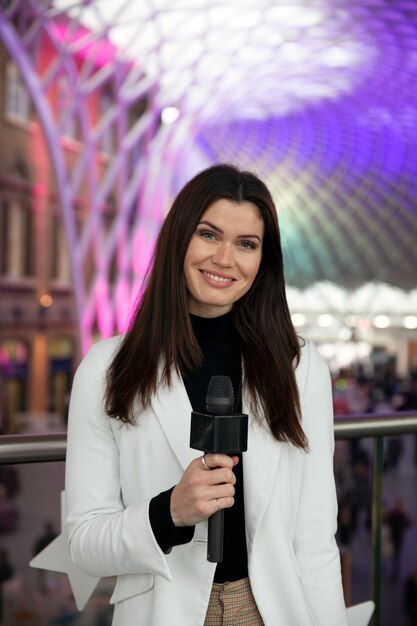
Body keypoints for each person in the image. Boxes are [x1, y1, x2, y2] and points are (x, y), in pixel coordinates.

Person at [65, 164, 348, 626]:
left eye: (246, 244)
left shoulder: (299, 368)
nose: (224, 259)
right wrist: (168, 512)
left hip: (271, 611)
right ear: (179, 238)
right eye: (208, 234)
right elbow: (84, 541)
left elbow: (316, 538)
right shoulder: (107, 370)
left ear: (263, 261)